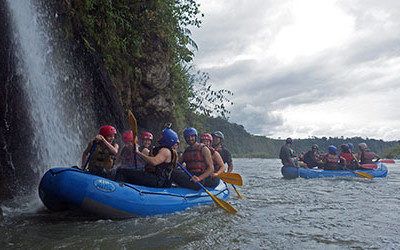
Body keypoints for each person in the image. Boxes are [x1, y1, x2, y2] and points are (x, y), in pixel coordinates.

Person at [114, 127, 179, 188]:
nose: (160, 137)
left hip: (158, 180)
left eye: (162, 136)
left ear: (167, 138)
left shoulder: (165, 151)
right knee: (126, 171)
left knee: (122, 172)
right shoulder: (163, 149)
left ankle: (116, 189)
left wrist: (138, 152)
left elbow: (154, 162)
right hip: (155, 177)